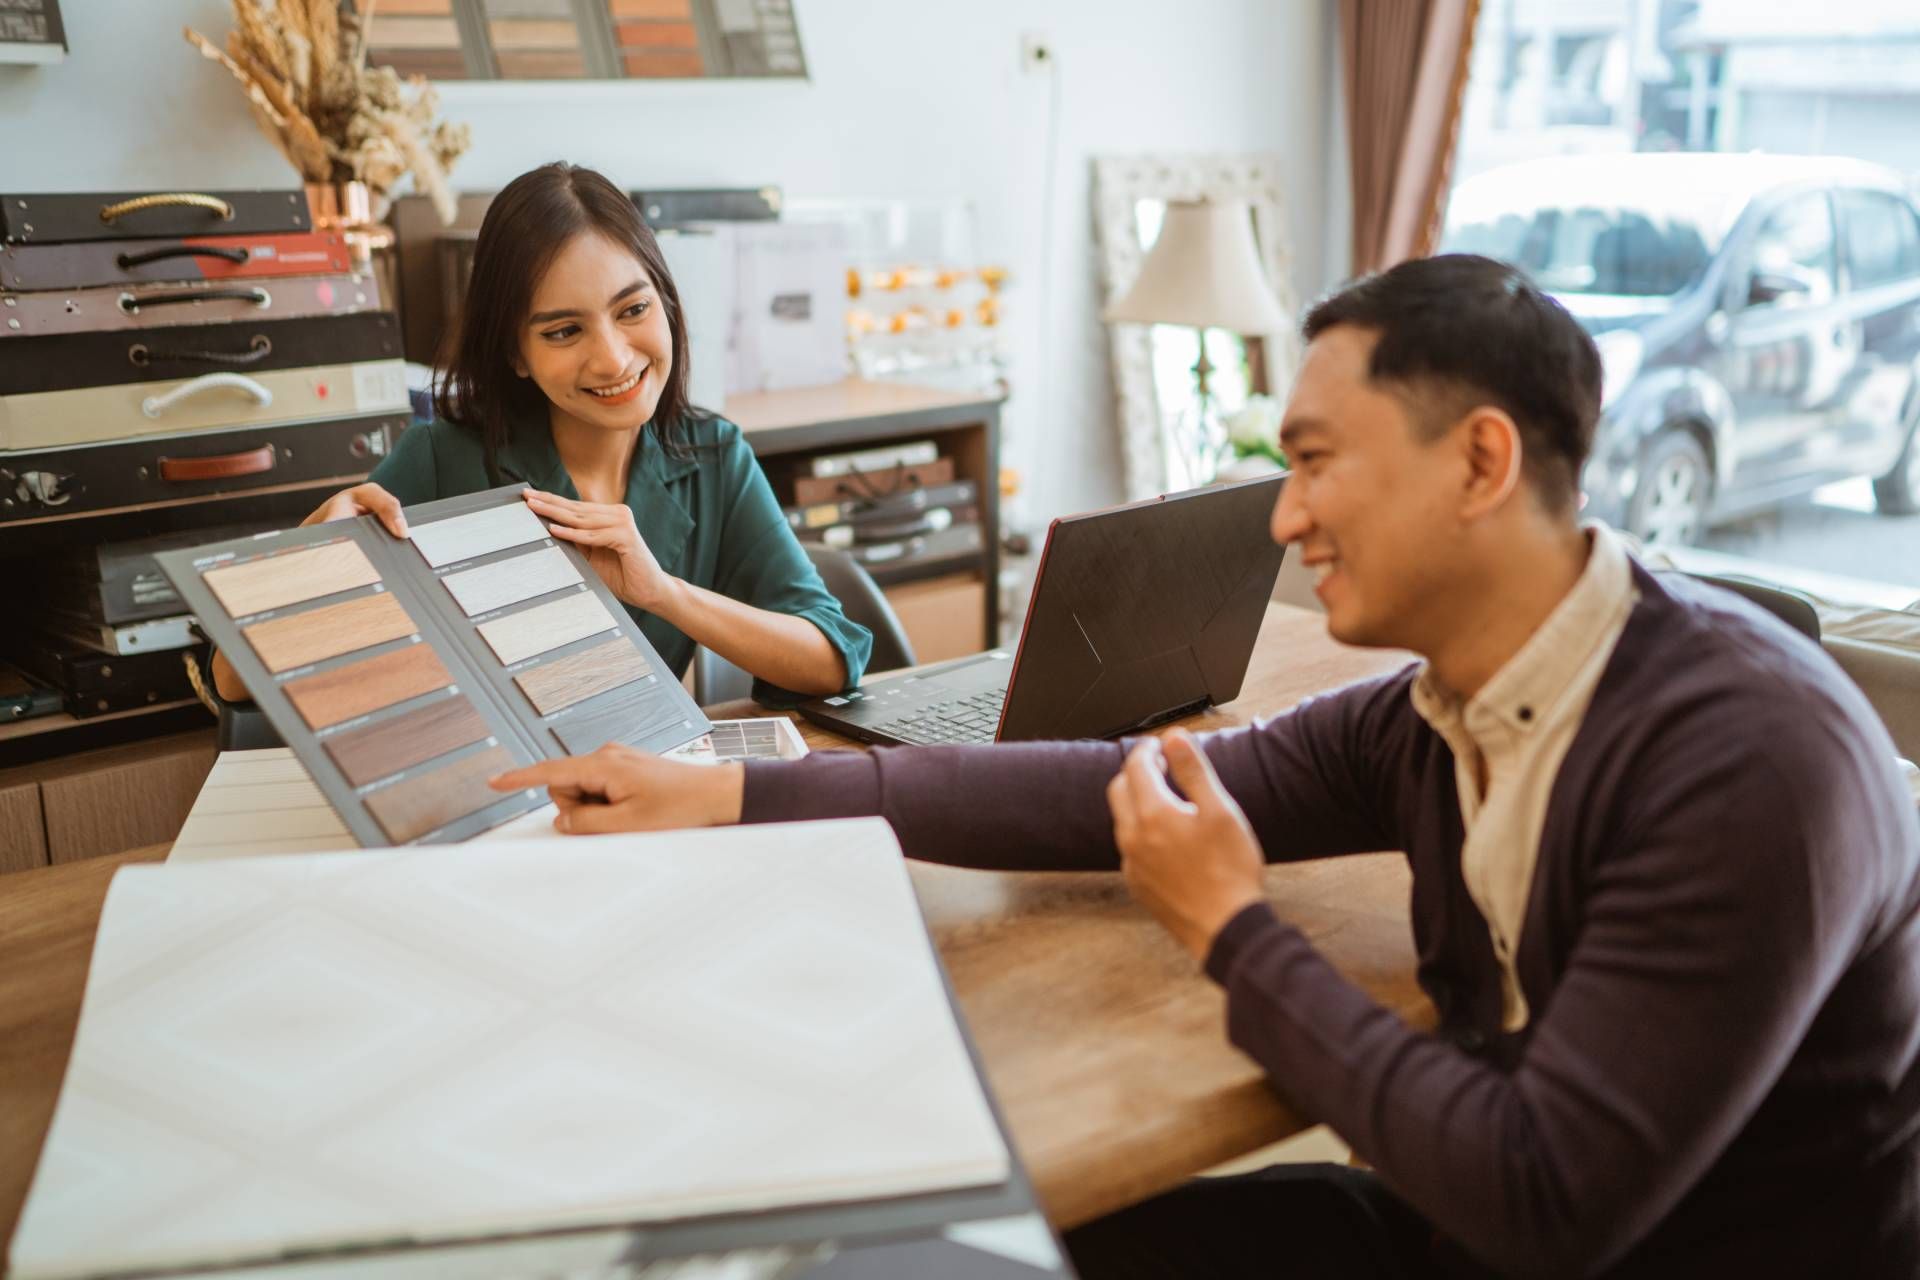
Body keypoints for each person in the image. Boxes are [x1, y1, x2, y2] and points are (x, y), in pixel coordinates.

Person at [489, 254, 1920, 1277]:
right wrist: (735, 791)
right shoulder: (1440, 705)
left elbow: (1550, 1201)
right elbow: (1112, 783)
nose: (1285, 518)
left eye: (1314, 462)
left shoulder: (1750, 766)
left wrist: (1234, 928)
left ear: (1481, 463)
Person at [213, 162, 870, 705]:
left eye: (633, 309)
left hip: (640, 795)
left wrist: (662, 592)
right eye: (564, 331)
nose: (613, 358)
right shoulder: (441, 460)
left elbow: (832, 658)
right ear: (515, 353)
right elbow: (232, 679)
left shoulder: (712, 455)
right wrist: (315, 558)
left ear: (667, 302)